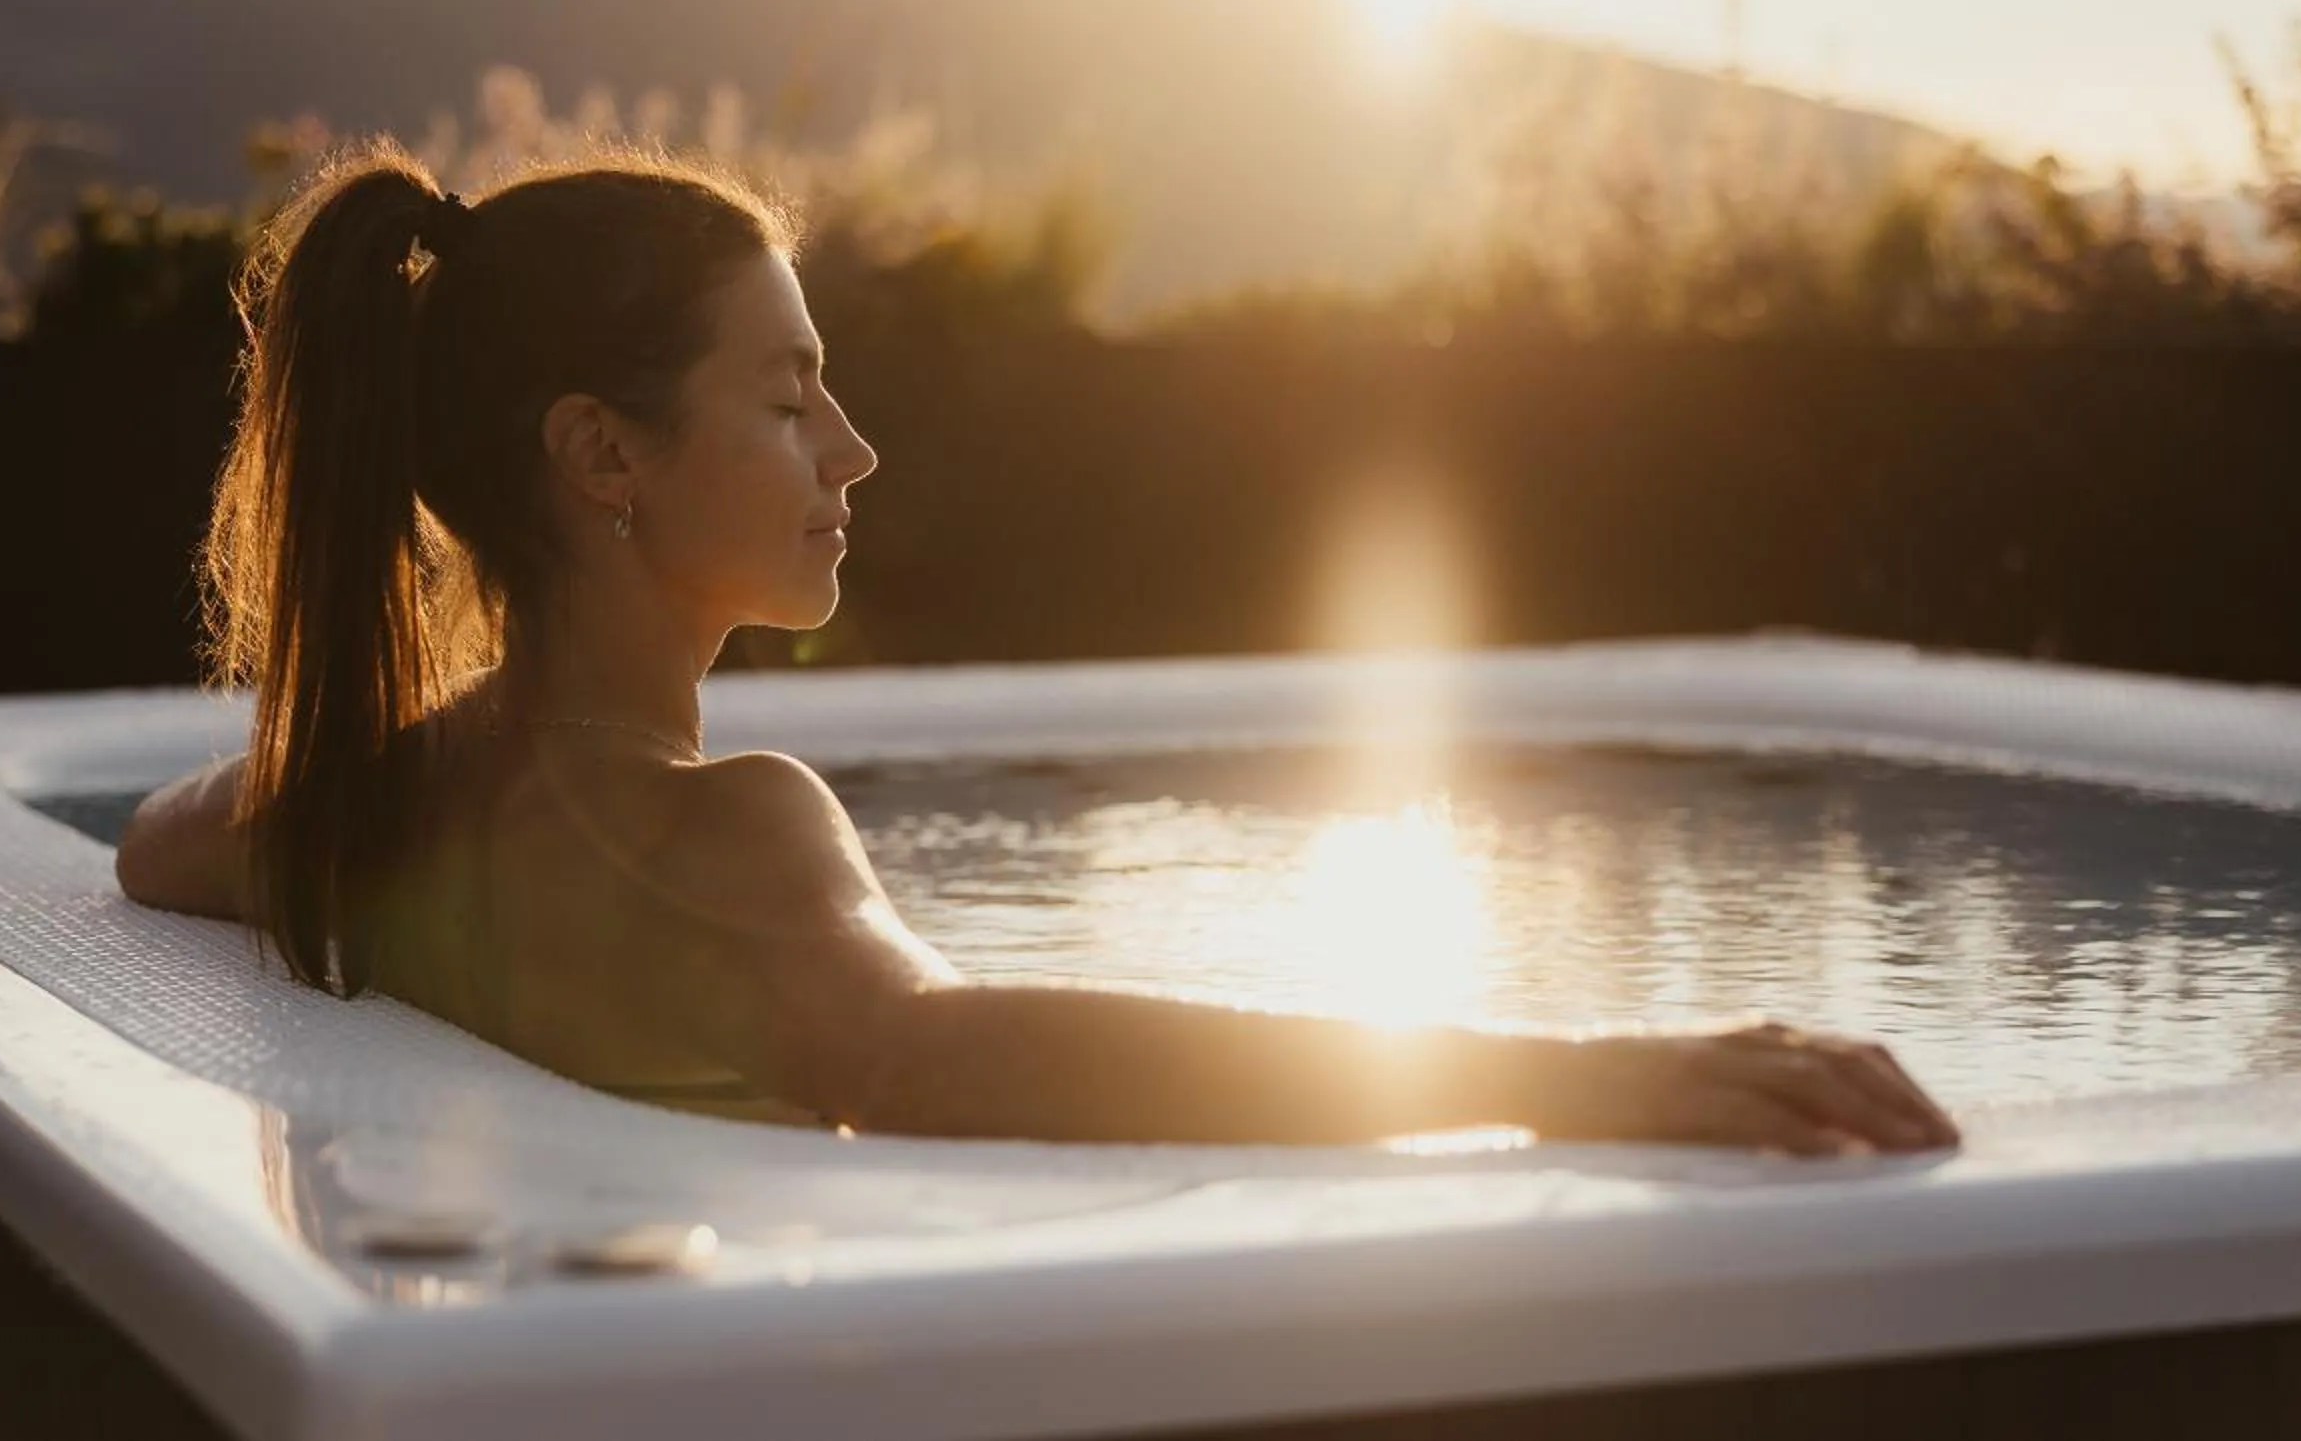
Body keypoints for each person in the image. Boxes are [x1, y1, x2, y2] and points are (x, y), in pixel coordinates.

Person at [117, 137, 1959, 1156]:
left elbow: (155, 841)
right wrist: (1573, 1074)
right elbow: (940, 1054)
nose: (851, 453)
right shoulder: (722, 829)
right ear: (602, 454)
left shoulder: (371, 801)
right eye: (786, 400)